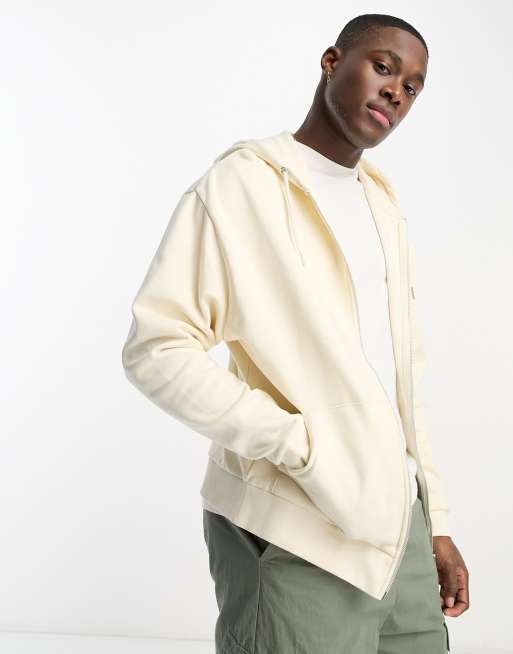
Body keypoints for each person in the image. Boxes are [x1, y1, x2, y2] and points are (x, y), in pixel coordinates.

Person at [122, 12, 469, 652]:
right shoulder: (242, 185)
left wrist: (435, 519)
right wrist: (298, 446)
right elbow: (157, 349)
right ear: (332, 62)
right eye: (384, 67)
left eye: (413, 86)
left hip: (401, 528)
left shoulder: (381, 202)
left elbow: (400, 375)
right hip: (296, 525)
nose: (396, 92)